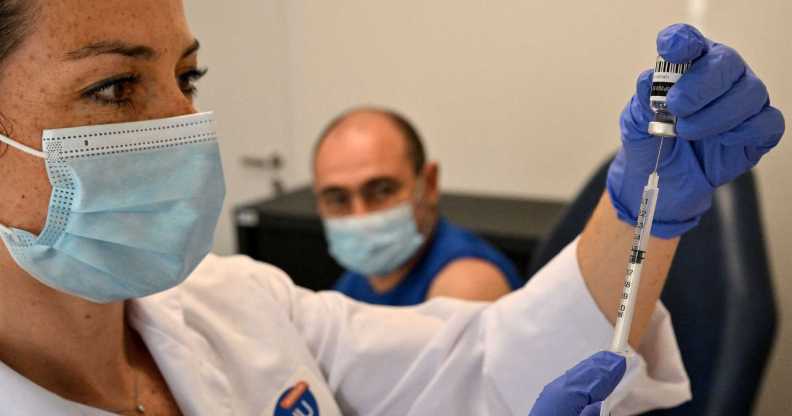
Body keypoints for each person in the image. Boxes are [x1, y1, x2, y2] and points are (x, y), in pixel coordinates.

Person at [0, 0, 781, 413]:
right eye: (113, 89)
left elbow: (488, 364)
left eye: (189, 79)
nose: (183, 127)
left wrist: (642, 209)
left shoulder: (230, 304)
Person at [313, 108, 524, 304]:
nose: (360, 216)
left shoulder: (466, 285)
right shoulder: (356, 282)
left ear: (429, 184)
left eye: (382, 191)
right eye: (338, 199)